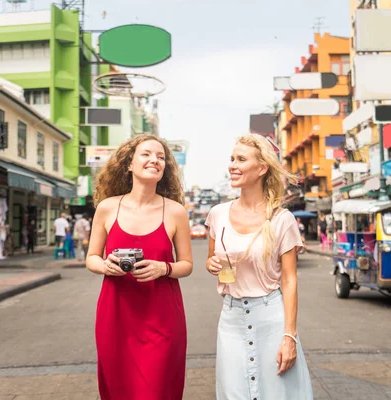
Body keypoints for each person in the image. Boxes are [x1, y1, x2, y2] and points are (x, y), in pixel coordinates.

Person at [205, 133, 313, 400]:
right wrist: (212, 264)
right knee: (234, 393)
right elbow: (211, 260)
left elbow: (289, 280)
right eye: (232, 159)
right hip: (230, 319)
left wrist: (290, 336)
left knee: (279, 393)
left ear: (262, 168)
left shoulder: (281, 219)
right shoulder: (217, 214)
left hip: (271, 318)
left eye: (241, 159)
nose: (232, 165)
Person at [86, 134, 193, 400]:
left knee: (157, 390)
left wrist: (163, 268)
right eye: (146, 154)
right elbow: (92, 258)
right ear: (129, 164)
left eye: (161, 157)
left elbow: (187, 265)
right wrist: (105, 266)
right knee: (119, 389)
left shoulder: (176, 211)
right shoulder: (107, 208)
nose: (154, 160)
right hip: (116, 316)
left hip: (162, 318)